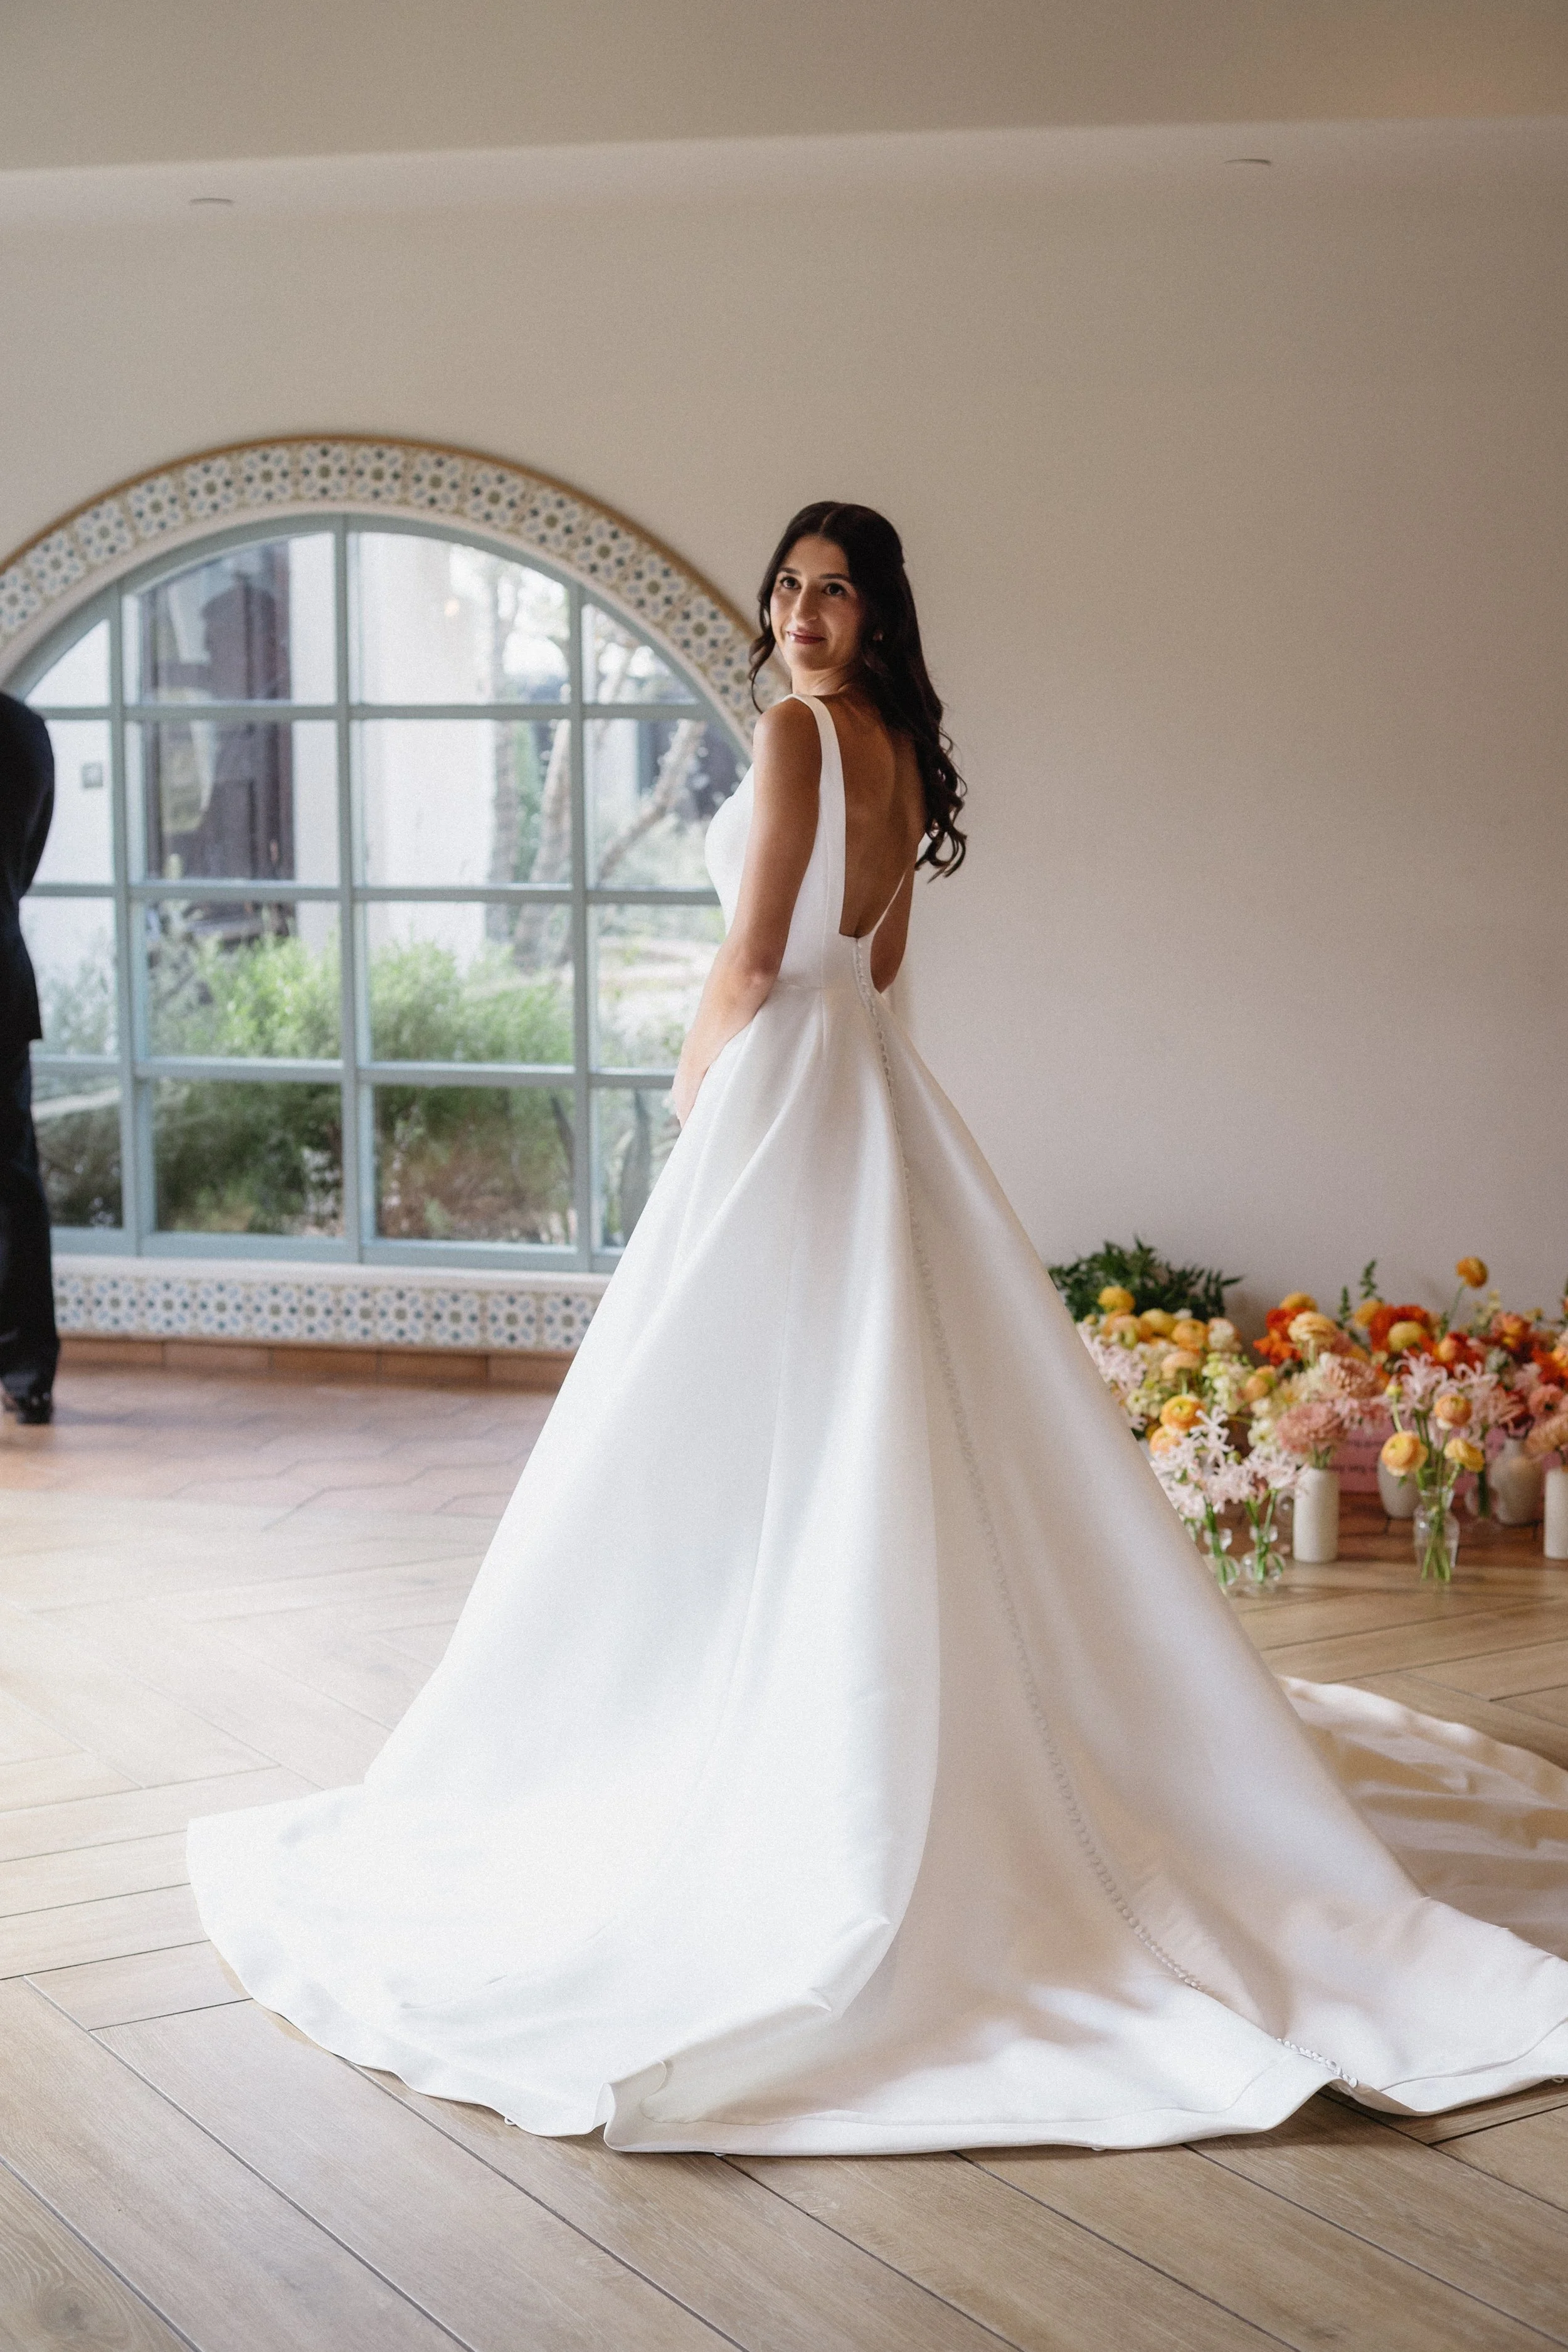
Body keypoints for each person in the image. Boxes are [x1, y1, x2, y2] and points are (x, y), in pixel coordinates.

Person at [190, 505, 1568, 2154]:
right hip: (876, 1097)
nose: (797, 614)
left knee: (734, 1425)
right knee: (883, 1414)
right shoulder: (905, 755)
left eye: (829, 590)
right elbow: (879, 959)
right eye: (784, 587)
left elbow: (756, 957)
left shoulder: (789, 734)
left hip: (784, 1095)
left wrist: (697, 1103)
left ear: (876, 611)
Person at [0, 691, 58, 1426]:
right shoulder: (24, 730)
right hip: (0, 976)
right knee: (12, 1178)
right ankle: (27, 1370)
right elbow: (26, 858)